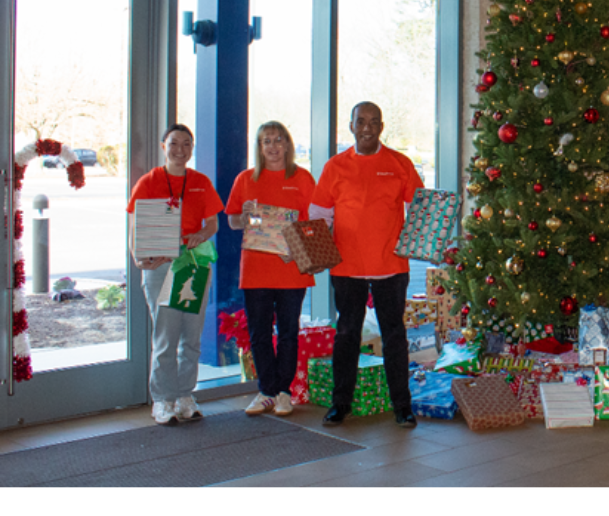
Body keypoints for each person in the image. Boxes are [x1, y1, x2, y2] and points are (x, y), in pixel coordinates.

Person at [309, 102, 423, 428]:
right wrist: (315, 253)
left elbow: (421, 209)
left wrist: (424, 243)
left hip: (391, 264)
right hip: (347, 267)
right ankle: (340, 403)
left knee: (394, 335)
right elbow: (319, 216)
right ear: (351, 126)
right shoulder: (335, 166)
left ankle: (402, 405)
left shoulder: (399, 164)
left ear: (382, 127)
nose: (367, 127)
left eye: (374, 122)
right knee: (347, 334)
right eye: (361, 121)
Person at [126, 124, 224, 426]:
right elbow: (134, 226)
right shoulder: (148, 182)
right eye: (174, 143)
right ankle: (162, 400)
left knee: (191, 335)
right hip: (161, 265)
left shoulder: (200, 182)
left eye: (186, 144)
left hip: (194, 263)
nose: (180, 150)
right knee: (166, 336)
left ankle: (184, 395)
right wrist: (138, 257)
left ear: (192, 148)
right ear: (162, 145)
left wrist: (200, 235)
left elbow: (213, 224)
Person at [225, 121, 317, 417]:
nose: (274, 146)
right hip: (256, 269)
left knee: (289, 333)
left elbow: (314, 224)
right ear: (259, 146)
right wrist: (246, 216)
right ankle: (266, 390)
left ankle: (284, 392)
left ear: (288, 145)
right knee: (259, 333)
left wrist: (298, 247)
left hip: (292, 270)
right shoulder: (245, 179)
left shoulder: (302, 178)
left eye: (279, 140)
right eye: (267, 141)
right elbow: (233, 222)